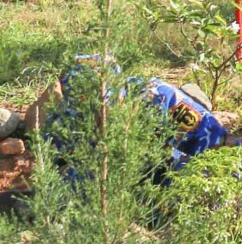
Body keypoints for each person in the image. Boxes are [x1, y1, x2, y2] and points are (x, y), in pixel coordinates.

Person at [42, 56, 228, 176]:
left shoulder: (158, 96)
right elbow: (49, 166)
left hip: (161, 166)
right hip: (105, 181)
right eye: (93, 108)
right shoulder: (63, 123)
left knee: (196, 177)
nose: (104, 115)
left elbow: (214, 138)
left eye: (108, 104)